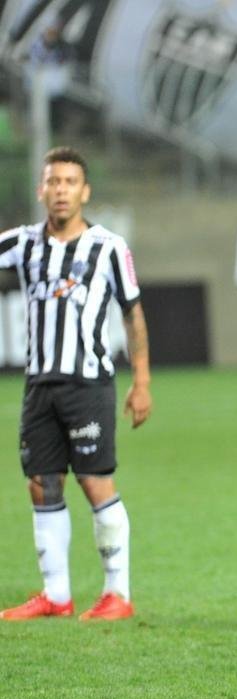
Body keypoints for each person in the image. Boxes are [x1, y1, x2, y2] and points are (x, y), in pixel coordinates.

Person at [0, 146, 151, 622]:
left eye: (69, 182)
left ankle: (118, 595)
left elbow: (133, 315)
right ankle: (56, 595)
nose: (60, 189)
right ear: (42, 189)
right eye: (53, 181)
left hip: (88, 384)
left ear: (84, 191)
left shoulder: (108, 246)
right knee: (42, 484)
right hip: (39, 385)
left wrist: (141, 381)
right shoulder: (23, 243)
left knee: (94, 481)